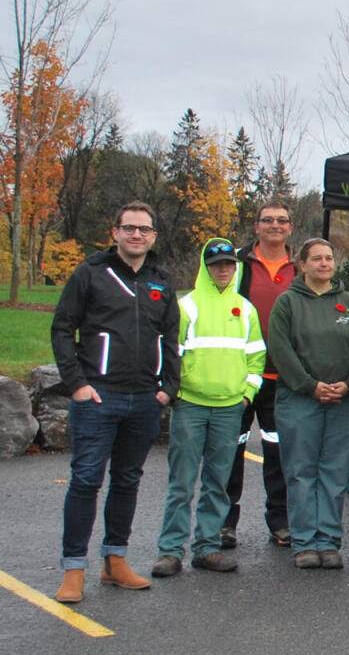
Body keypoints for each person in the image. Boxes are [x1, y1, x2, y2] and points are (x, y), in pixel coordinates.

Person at [49, 202, 180, 603]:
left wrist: (167, 389)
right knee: (87, 480)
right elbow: (62, 329)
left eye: (144, 229)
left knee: (127, 481)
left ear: (154, 236)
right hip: (97, 397)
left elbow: (171, 340)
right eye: (129, 228)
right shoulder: (90, 274)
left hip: (144, 399)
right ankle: (74, 569)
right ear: (115, 232)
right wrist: (77, 385)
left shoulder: (161, 281)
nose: (136, 235)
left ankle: (115, 561)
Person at [152, 238, 263, 579]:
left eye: (229, 264)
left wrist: (246, 395)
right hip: (191, 406)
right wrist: (176, 393)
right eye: (216, 265)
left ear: (236, 267)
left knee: (218, 482)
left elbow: (256, 357)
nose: (224, 270)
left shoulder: (245, 309)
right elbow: (169, 354)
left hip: (230, 408)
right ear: (206, 267)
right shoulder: (187, 306)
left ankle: (207, 548)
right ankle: (170, 551)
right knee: (182, 483)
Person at [270, 238, 349, 570]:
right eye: (316, 258)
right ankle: (304, 542)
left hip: (344, 401)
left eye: (329, 258)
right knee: (301, 471)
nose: (324, 264)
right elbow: (281, 351)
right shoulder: (287, 303)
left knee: (335, 471)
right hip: (300, 400)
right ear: (302, 264)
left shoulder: (348, 303)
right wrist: (310, 386)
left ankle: (329, 541)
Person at [224, 202, 297, 549]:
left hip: (283, 378)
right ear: (256, 227)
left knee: (278, 453)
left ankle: (280, 521)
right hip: (239, 377)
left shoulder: (301, 267)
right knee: (230, 451)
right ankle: (225, 523)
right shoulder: (236, 266)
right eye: (267, 220)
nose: (274, 225)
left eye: (281, 220)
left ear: (290, 228)